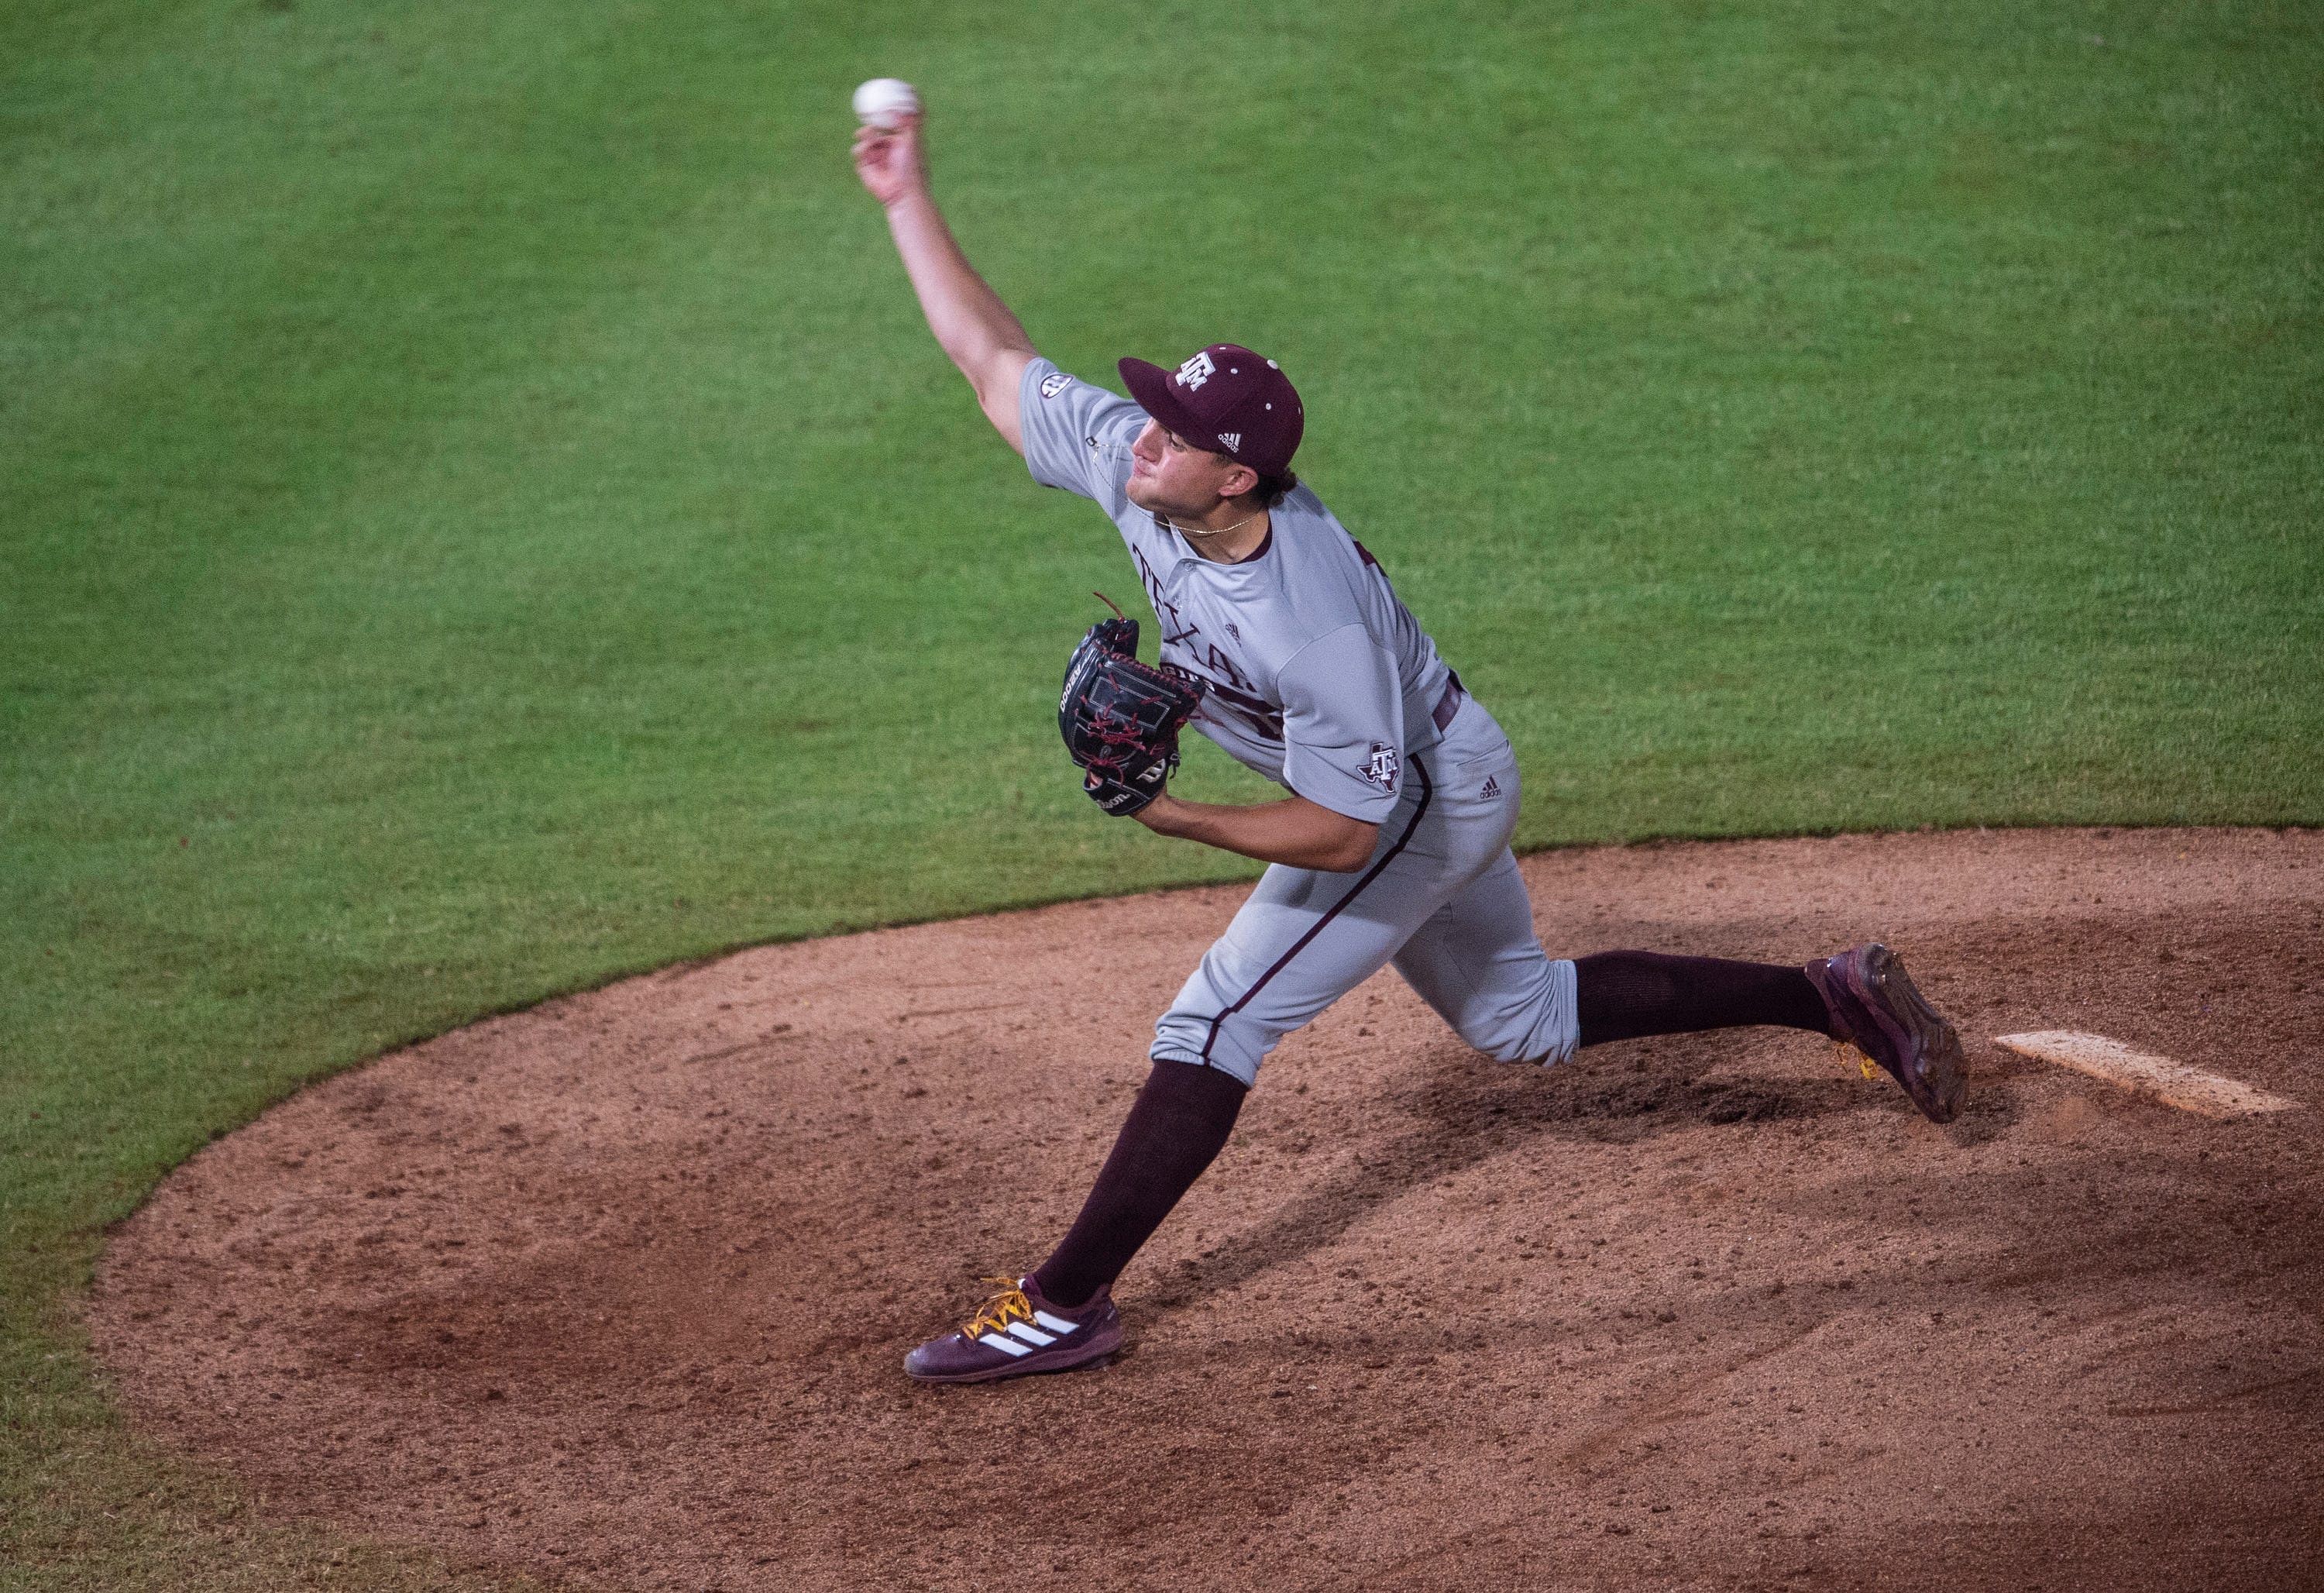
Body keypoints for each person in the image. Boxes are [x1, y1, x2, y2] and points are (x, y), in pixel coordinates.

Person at [851, 107, 1967, 1385]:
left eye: (1176, 430)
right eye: (1153, 411)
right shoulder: (1148, 474)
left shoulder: (1306, 619)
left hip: (1420, 798)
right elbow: (994, 363)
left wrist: (1180, 822)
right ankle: (1829, 994)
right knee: (1517, 1015)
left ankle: (1065, 1302)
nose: (1144, 431)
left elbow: (1347, 831)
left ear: (1238, 483)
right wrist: (905, 199)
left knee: (1214, 1022)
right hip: (1434, 761)